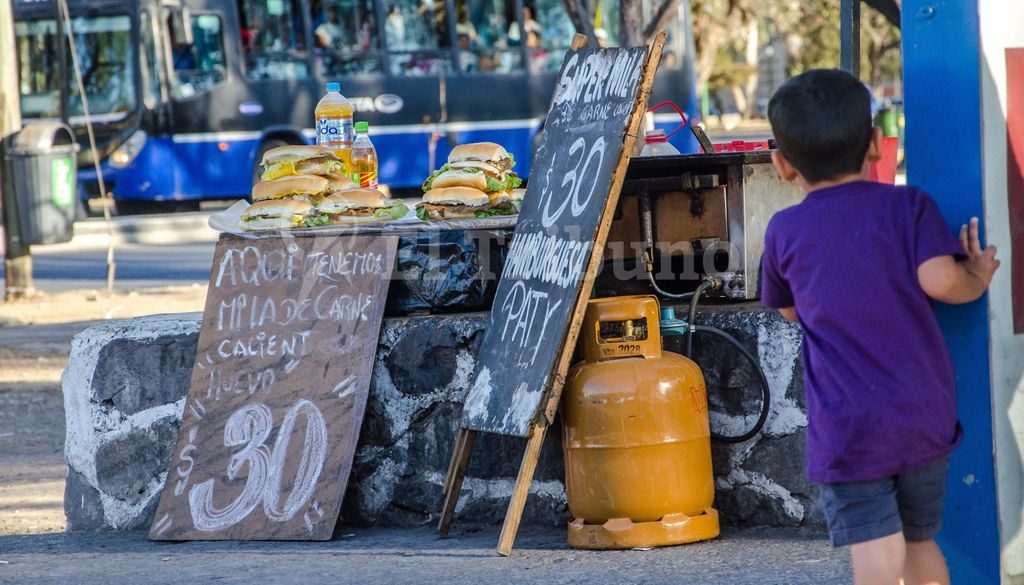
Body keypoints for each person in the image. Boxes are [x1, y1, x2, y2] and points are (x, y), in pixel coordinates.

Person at [760, 68, 1000, 585]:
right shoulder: (906, 207)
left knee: (876, 555)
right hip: (922, 418)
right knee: (920, 543)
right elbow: (941, 281)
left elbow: (789, 311)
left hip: (849, 428)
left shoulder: (784, 231)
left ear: (782, 164)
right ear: (874, 143)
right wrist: (976, 276)